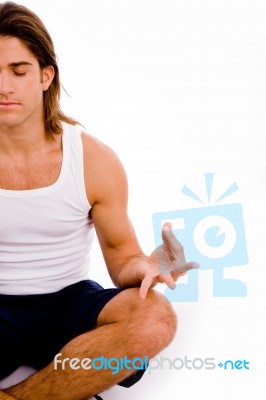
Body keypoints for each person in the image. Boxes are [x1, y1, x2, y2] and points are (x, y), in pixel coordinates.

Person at [0, 2, 198, 399]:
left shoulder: (92, 160)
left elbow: (121, 257)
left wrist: (144, 266)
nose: (3, 86)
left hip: (68, 304)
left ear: (45, 75)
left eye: (18, 71)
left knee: (154, 319)